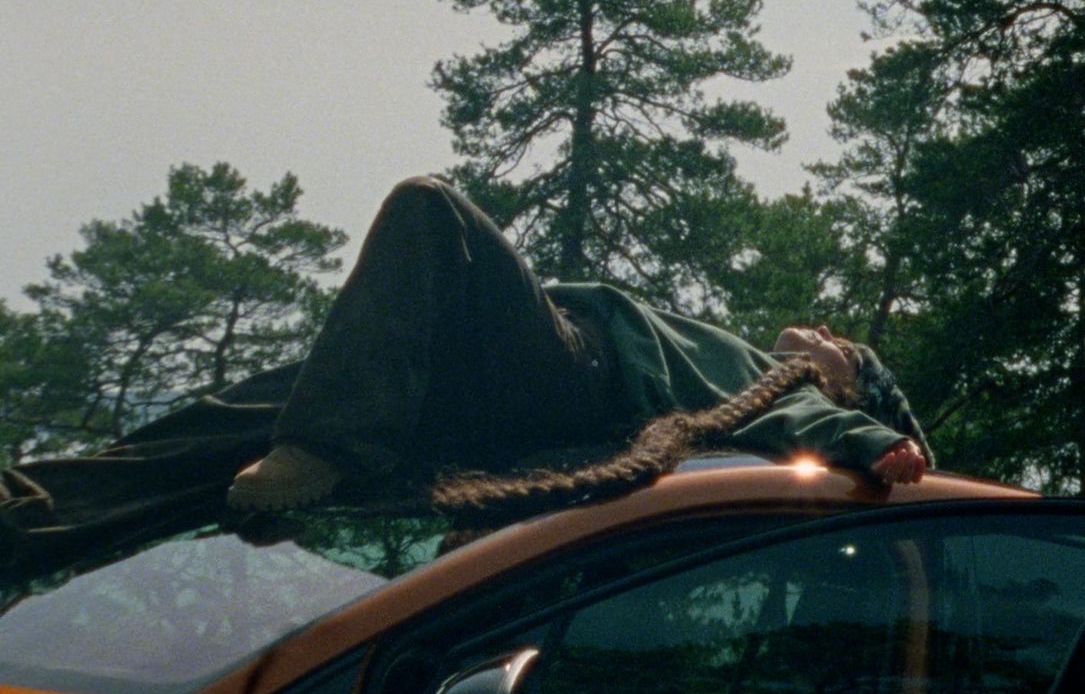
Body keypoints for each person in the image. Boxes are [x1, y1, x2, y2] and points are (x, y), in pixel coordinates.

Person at [225, 176, 931, 513]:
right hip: (520, 383)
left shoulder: (775, 381)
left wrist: (874, 442)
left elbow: (805, 420)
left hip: (572, 369)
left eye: (844, 350)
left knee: (429, 208)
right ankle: (126, 490)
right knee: (250, 409)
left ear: (839, 383)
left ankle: (323, 453)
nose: (824, 332)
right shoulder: (732, 372)